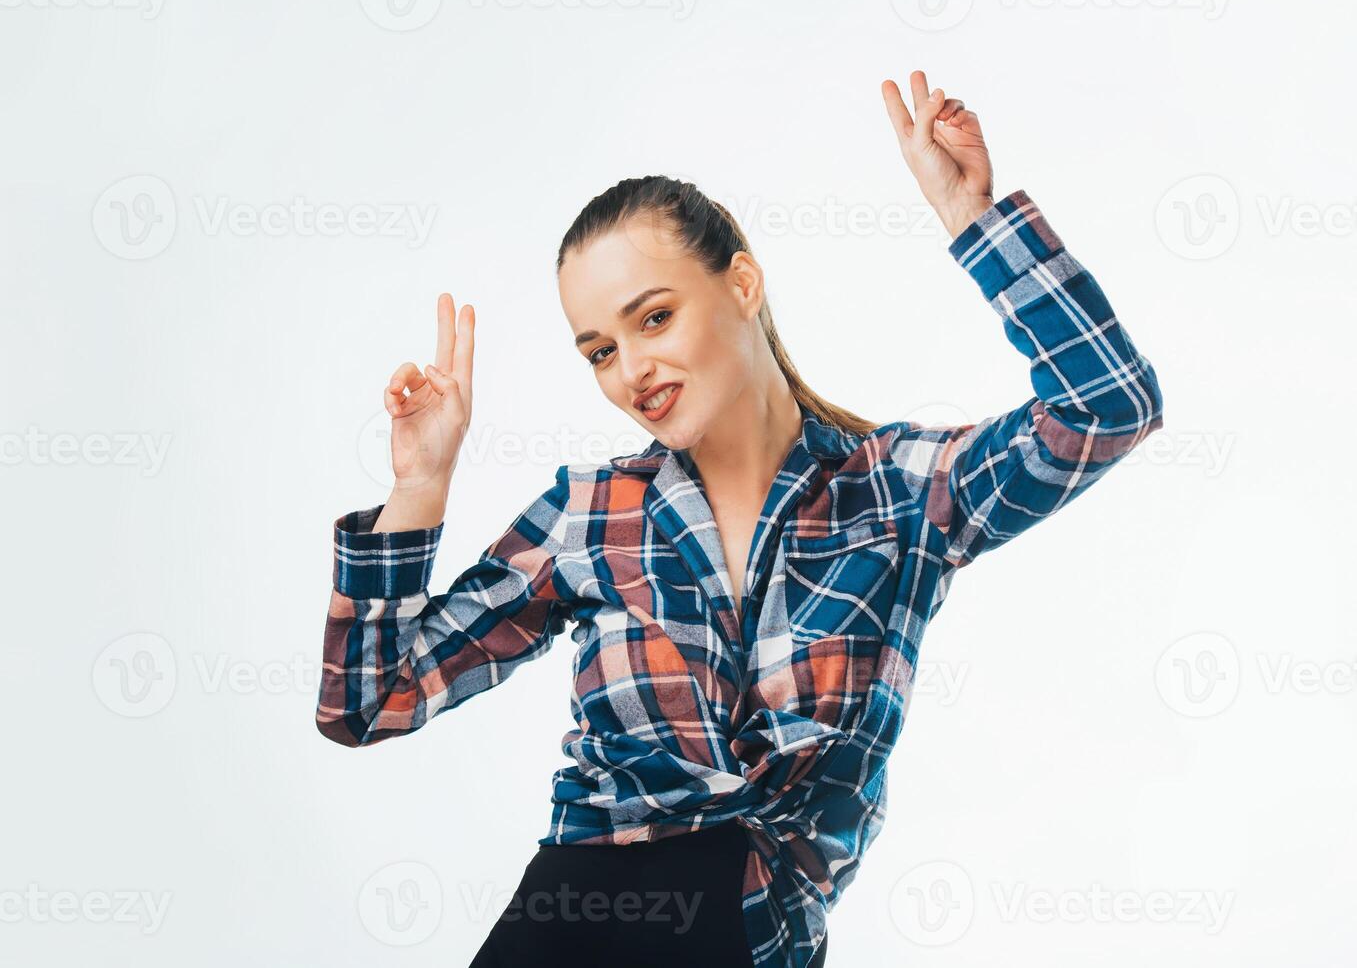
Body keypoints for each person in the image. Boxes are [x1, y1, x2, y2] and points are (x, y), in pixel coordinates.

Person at [315, 69, 1165, 968]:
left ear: (743, 284)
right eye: (600, 350)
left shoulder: (900, 493)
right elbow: (367, 705)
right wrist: (420, 488)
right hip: (572, 919)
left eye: (653, 317)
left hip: (758, 930)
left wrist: (974, 221)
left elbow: (1108, 408)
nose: (631, 369)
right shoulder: (590, 513)